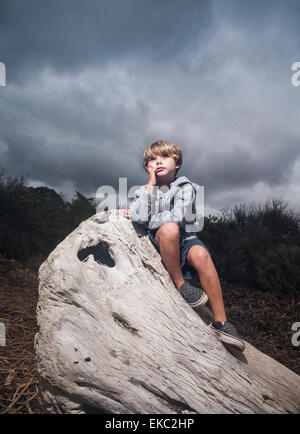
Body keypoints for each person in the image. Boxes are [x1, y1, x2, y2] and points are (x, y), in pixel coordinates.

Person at [124, 140, 245, 351]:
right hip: (158, 240)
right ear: (147, 167)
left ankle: (221, 322)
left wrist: (144, 217)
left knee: (200, 255)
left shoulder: (186, 187)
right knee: (169, 229)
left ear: (177, 163)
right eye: (152, 159)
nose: (157, 162)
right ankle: (181, 284)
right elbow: (147, 217)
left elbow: (177, 217)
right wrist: (150, 186)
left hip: (186, 239)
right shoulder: (143, 191)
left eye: (164, 157)